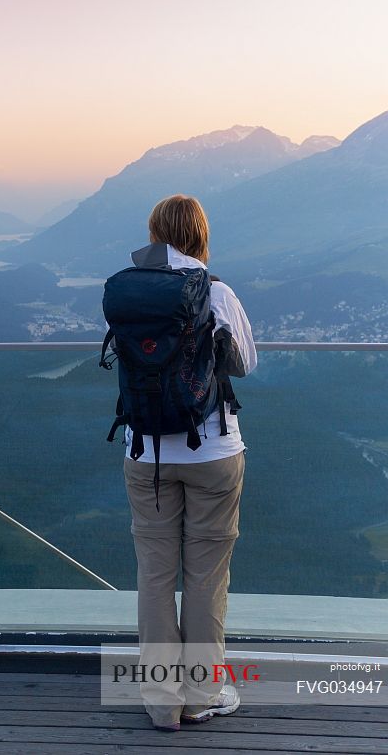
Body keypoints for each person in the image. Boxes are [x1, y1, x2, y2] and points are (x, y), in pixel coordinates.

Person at [122, 193, 257, 732]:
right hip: (213, 452)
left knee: (155, 575)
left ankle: (161, 705)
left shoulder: (130, 293)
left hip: (144, 452)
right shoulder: (216, 292)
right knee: (205, 577)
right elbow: (245, 364)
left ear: (155, 234)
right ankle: (200, 696)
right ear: (200, 235)